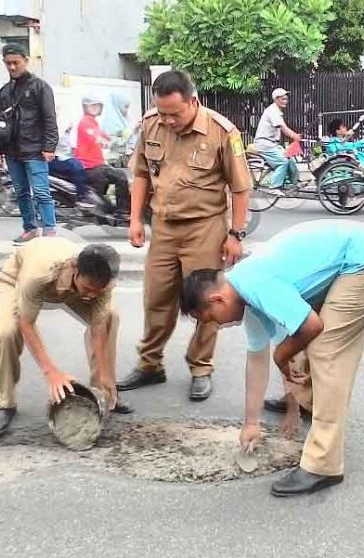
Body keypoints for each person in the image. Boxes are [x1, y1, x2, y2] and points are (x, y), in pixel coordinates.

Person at [180, 220, 364, 497]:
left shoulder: (253, 283)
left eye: (210, 319)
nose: (218, 326)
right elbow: (256, 360)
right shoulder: (245, 292)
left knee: (325, 349)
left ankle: (323, 465)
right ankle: (315, 409)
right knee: (311, 343)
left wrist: (282, 356)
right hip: (361, 257)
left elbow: (310, 327)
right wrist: (251, 424)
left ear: (217, 300)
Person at [117, 70, 252, 401]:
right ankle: (150, 365)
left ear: (193, 101)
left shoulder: (222, 132)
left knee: (206, 299)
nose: (168, 120)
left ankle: (201, 367)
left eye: (174, 113)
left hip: (205, 227)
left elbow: (240, 187)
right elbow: (140, 175)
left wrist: (235, 233)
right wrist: (135, 219)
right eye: (162, 112)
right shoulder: (152, 124)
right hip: (163, 227)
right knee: (156, 297)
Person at [0, 238, 133, 436]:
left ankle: (103, 393)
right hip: (17, 282)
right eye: (88, 289)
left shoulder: (103, 284)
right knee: (7, 333)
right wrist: (52, 374)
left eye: (98, 291)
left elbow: (98, 326)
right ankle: (5, 403)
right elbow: (26, 323)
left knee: (110, 317)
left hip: (69, 290)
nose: (91, 296)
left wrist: (104, 375)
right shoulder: (39, 273)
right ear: (75, 269)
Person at [0, 43, 59, 244]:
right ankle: (29, 228)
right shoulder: (4, 92)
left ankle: (49, 229)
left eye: (16, 62)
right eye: (8, 63)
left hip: (36, 150)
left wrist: (50, 146)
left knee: (41, 191)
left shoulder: (40, 87)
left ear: (26, 61)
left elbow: (50, 118)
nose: (12, 67)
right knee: (21, 192)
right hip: (13, 150)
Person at [75, 95, 131, 217]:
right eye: (92, 105)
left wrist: (117, 139)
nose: (95, 108)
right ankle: (123, 212)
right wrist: (104, 142)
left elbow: (108, 137)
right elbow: (96, 137)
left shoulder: (93, 123)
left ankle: (107, 209)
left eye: (97, 105)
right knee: (121, 176)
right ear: (85, 107)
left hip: (97, 166)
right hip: (90, 167)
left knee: (113, 180)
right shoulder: (85, 123)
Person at [253, 88, 300, 190]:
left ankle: (295, 183)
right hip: (265, 144)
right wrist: (294, 136)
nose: (285, 101)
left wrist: (294, 135)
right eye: (283, 99)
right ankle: (274, 187)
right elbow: (283, 128)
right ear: (276, 99)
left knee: (290, 158)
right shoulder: (273, 111)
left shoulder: (276, 111)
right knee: (282, 162)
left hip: (272, 144)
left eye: (286, 99)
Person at [48, 123, 91, 205]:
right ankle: (82, 196)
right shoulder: (53, 127)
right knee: (76, 166)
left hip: (62, 156)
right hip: (52, 157)